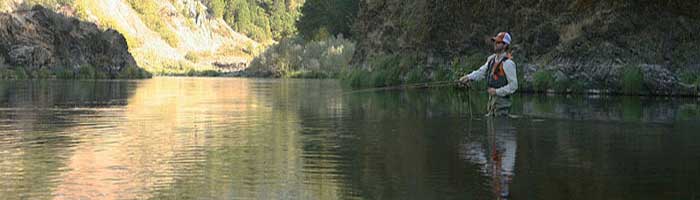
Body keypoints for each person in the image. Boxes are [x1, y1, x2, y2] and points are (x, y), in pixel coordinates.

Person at [458, 32, 518, 117]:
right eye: (495, 42)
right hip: (491, 102)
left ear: (505, 45)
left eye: (498, 42)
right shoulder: (491, 60)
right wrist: (468, 77)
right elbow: (481, 72)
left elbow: (514, 86)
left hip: (502, 103)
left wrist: (497, 91)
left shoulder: (508, 63)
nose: (495, 44)